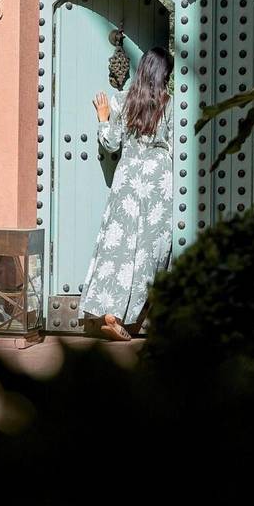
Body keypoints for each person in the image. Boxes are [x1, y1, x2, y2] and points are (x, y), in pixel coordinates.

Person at [80, 46, 175, 342]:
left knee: (118, 248)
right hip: (159, 181)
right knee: (152, 252)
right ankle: (135, 316)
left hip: (128, 179)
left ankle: (114, 315)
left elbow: (110, 144)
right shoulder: (170, 104)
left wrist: (103, 116)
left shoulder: (123, 101)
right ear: (164, 76)